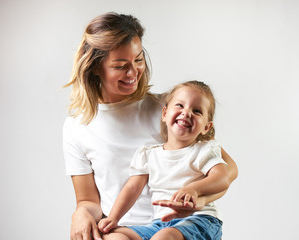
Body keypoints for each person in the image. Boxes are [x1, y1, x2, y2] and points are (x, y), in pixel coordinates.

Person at [63, 12, 238, 240]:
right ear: (95, 67)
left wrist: (199, 199)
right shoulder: (77, 127)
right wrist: (81, 212)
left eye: (138, 60)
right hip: (131, 229)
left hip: (180, 225)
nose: (133, 72)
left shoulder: (168, 110)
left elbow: (229, 170)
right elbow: (88, 200)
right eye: (120, 65)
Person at [98, 81, 228, 240]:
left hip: (200, 220)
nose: (186, 113)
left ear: (206, 127)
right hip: (159, 223)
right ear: (164, 113)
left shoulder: (204, 149)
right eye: (180, 105)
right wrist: (114, 217)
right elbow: (132, 188)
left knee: (164, 237)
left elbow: (222, 177)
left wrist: (195, 189)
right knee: (114, 236)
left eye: (197, 111)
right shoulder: (148, 154)